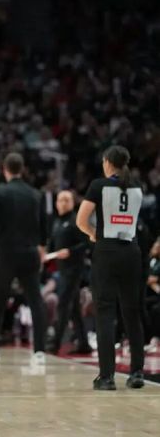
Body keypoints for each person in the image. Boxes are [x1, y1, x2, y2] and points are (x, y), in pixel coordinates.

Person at [76, 145, 145, 390]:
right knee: (132, 312)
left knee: (105, 311)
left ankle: (107, 377)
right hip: (132, 252)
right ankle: (137, 373)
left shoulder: (98, 185)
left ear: (107, 162)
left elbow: (81, 220)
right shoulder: (137, 186)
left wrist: (93, 234)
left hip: (106, 251)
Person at [0, 152, 47, 364]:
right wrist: (42, 247)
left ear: (5, 170)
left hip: (7, 254)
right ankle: (40, 352)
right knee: (35, 300)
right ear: (22, 169)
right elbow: (44, 223)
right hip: (30, 252)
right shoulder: (35, 194)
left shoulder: (1, 193)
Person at [46, 190, 90, 354]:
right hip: (62, 269)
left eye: (67, 200)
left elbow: (87, 243)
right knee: (74, 309)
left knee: (63, 304)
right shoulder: (57, 222)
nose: (63, 203)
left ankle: (55, 343)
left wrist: (70, 251)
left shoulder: (76, 221)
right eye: (60, 200)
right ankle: (84, 343)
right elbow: (53, 243)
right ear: (56, 203)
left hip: (74, 269)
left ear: (72, 203)